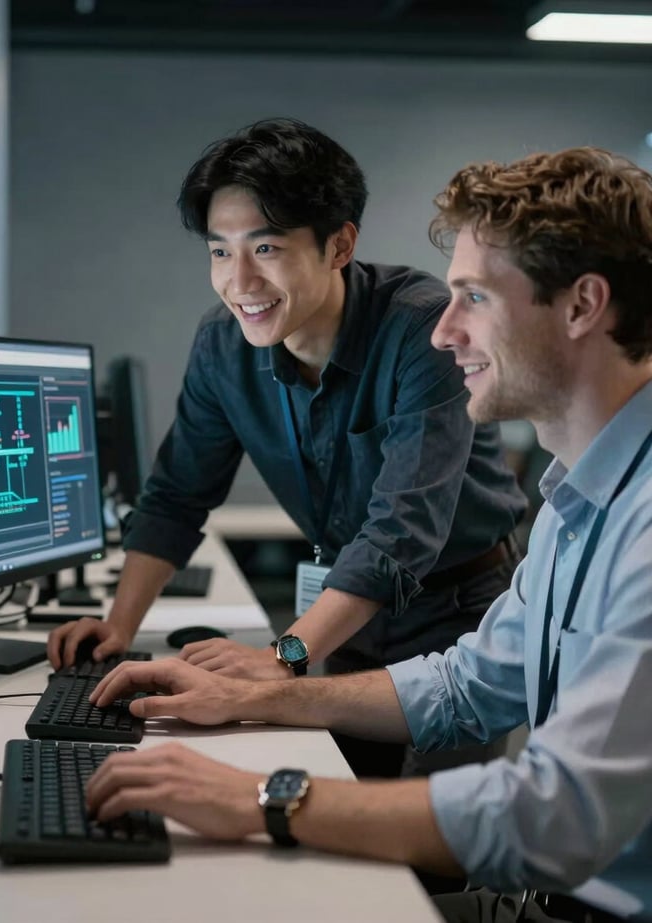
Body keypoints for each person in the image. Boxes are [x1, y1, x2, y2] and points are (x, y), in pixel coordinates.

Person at [84, 147, 652, 922]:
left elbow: (550, 817)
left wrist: (264, 795)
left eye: (475, 298)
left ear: (583, 305)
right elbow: (463, 686)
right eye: (221, 250)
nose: (446, 332)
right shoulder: (573, 501)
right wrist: (255, 692)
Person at [48, 117, 526, 777]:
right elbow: (178, 492)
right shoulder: (223, 344)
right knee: (346, 800)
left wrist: (283, 657)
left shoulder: (421, 329)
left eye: (266, 249)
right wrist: (120, 624)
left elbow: (399, 533)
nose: (239, 281)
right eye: (220, 251)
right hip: (348, 613)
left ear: (338, 245)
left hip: (458, 611)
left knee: (429, 841)